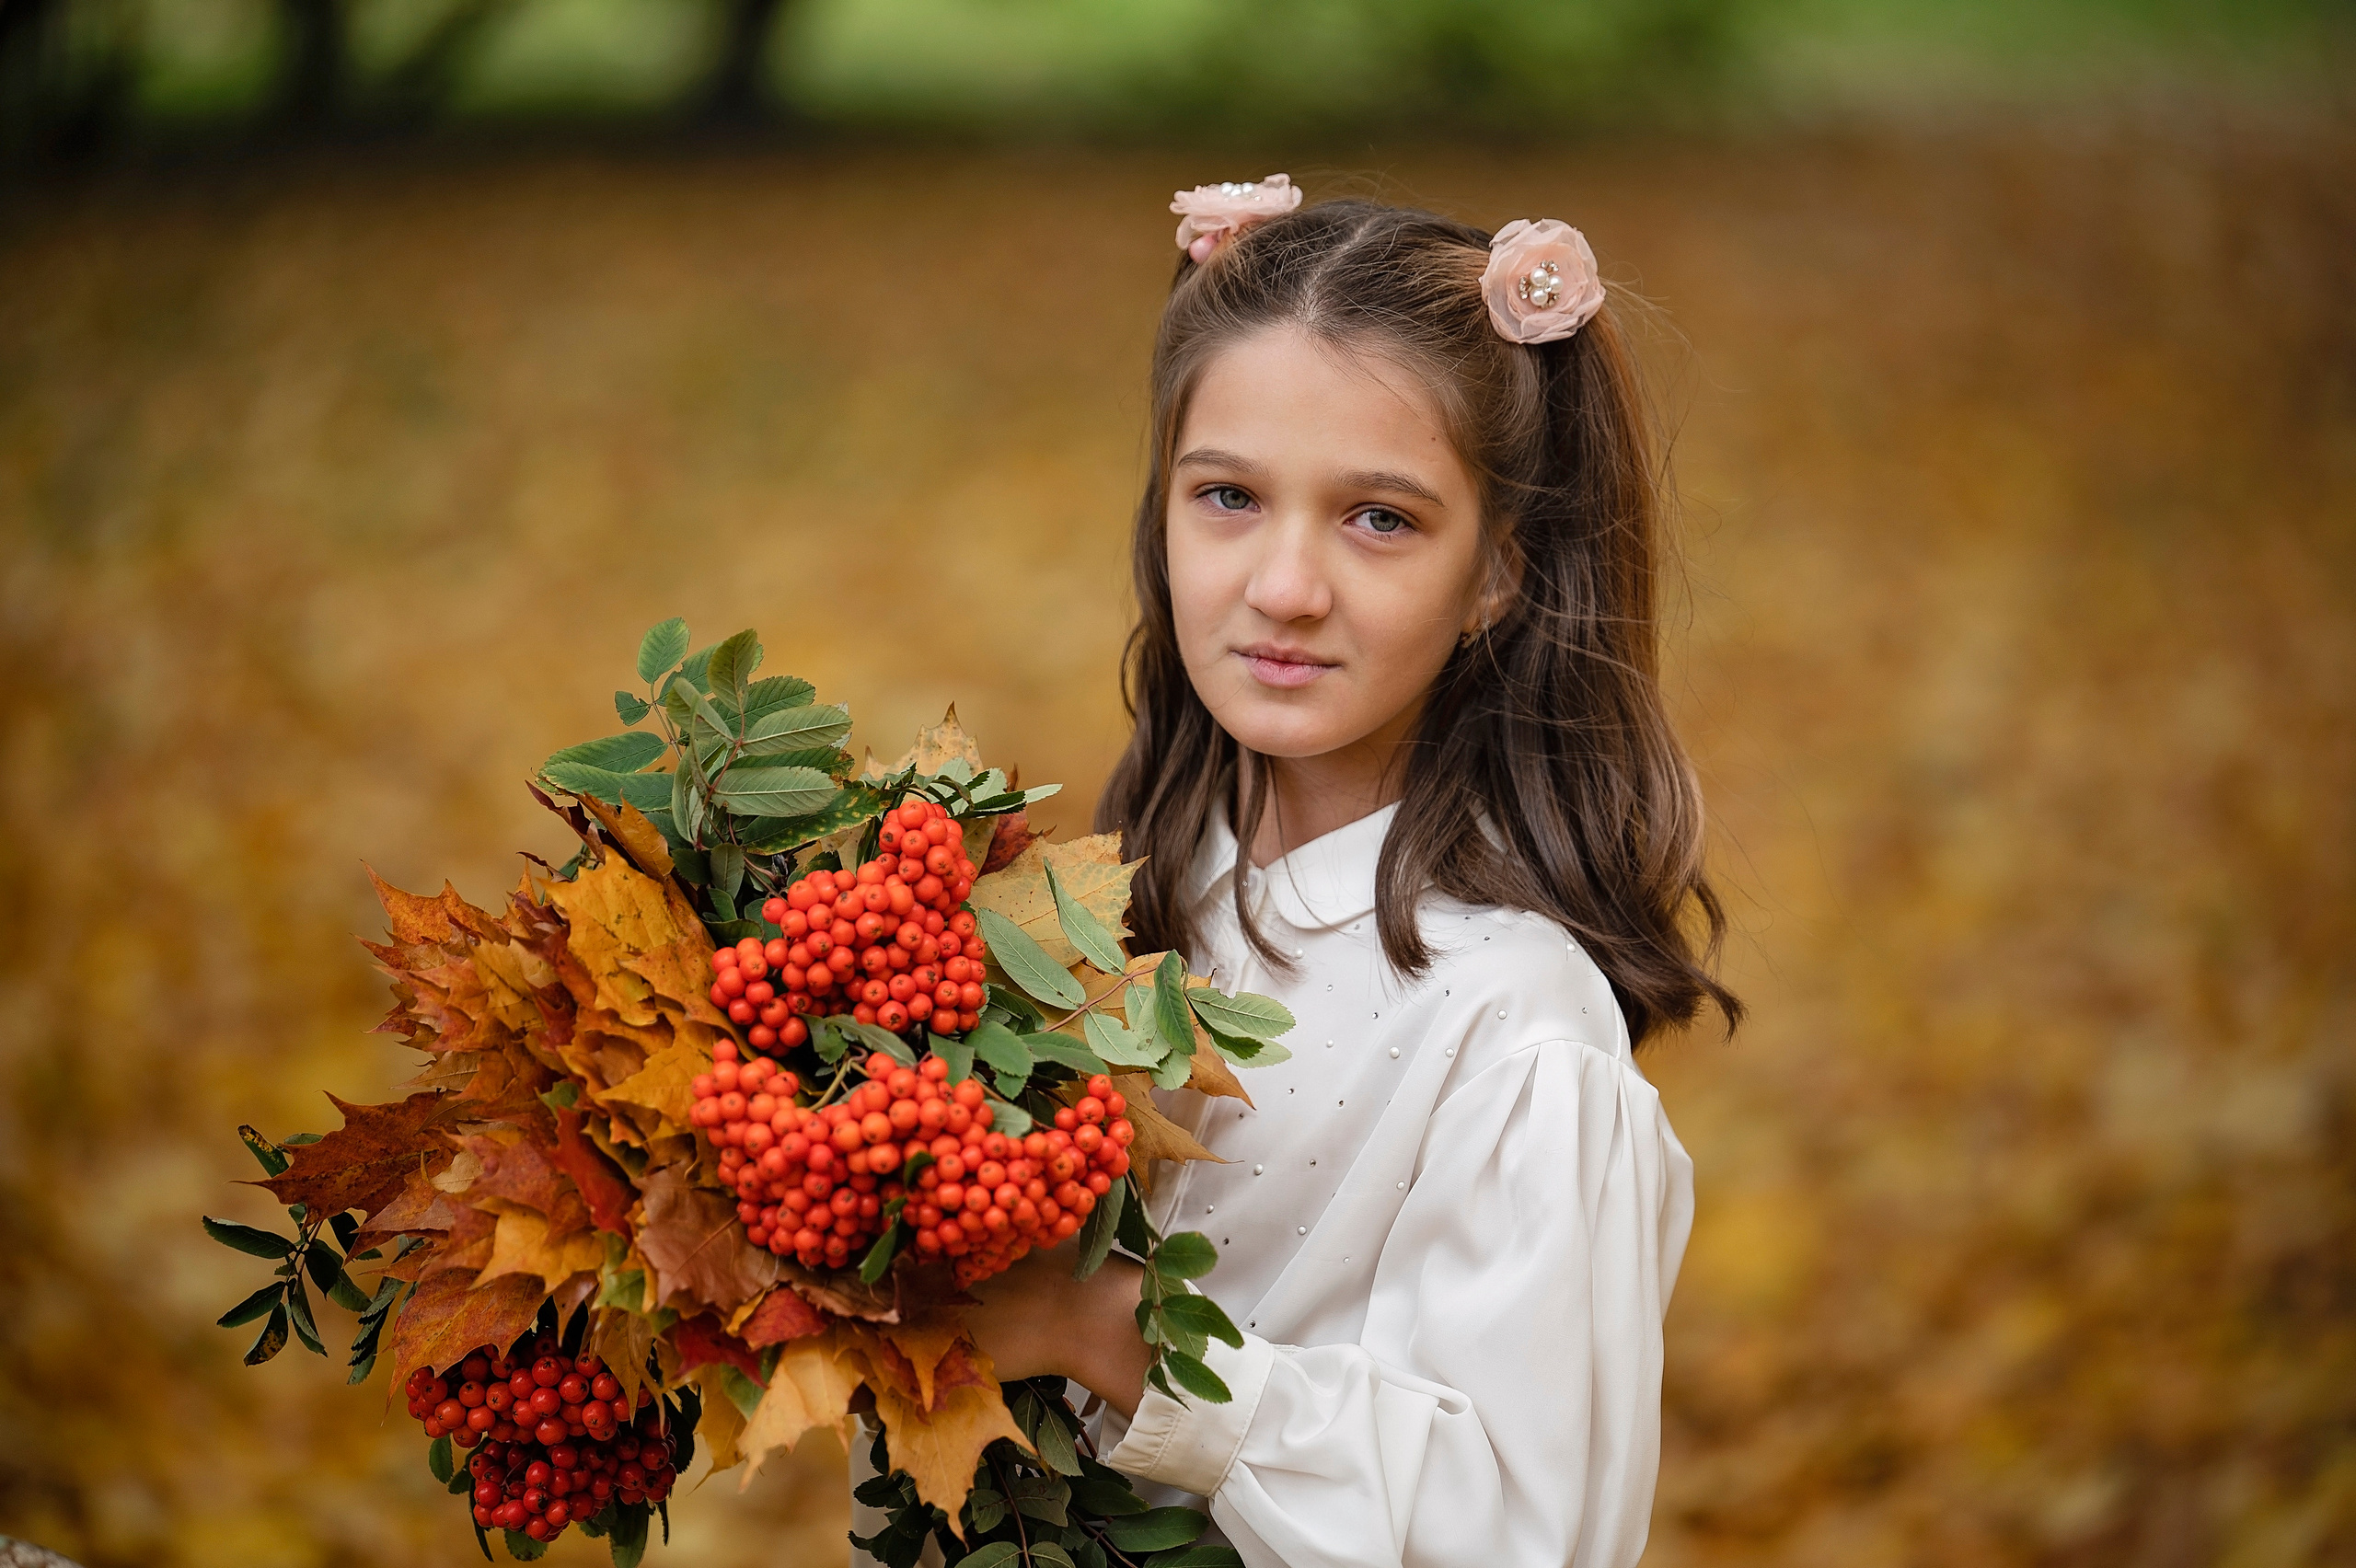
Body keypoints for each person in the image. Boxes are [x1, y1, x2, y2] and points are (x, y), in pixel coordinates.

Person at [944, 179, 1740, 1568]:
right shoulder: (1124, 899)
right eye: (1231, 497)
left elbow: (1516, 1534)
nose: (1287, 584)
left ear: (1499, 571)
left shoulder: (1518, 1036)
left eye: (1380, 519)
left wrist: (1111, 1334)